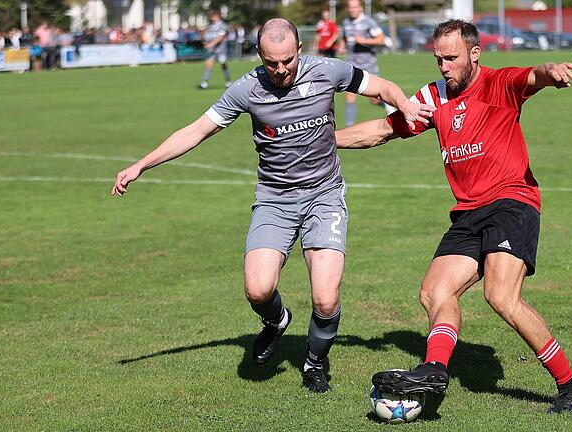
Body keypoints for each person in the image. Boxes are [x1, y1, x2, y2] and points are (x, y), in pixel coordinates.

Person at [111, 18, 434, 393]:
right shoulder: (247, 89)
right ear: (260, 56)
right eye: (270, 63)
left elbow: (382, 86)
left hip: (324, 195)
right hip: (274, 200)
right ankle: (277, 321)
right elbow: (196, 130)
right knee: (258, 290)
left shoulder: (328, 71)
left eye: (287, 61)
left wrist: (405, 104)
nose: (280, 70)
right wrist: (140, 164)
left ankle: (314, 363)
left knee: (326, 298)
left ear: (299, 49)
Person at [335, 19, 572, 413]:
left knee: (501, 297)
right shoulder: (434, 96)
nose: (444, 67)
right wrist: (324, 139)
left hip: (512, 201)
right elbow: (383, 131)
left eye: (451, 58)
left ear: (474, 54)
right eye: (438, 59)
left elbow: (534, 77)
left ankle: (571, 385)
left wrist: (551, 71)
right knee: (434, 291)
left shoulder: (498, 83)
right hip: (468, 212)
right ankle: (435, 370)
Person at [340, 0, 389, 125]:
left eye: (356, 7)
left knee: (374, 99)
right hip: (352, 65)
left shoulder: (369, 22)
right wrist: (342, 45)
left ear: (361, 8)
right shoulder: (346, 22)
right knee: (349, 95)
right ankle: (349, 127)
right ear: (347, 9)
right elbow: (345, 38)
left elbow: (382, 40)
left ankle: (387, 106)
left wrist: (364, 41)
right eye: (351, 7)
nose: (353, 10)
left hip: (369, 66)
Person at [199, 10, 232, 89]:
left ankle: (228, 81)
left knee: (223, 64)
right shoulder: (210, 26)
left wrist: (210, 44)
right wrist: (203, 34)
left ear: (218, 16)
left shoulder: (222, 25)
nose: (212, 18)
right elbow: (207, 36)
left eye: (213, 16)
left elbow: (220, 37)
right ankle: (204, 82)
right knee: (208, 64)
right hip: (212, 51)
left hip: (221, 50)